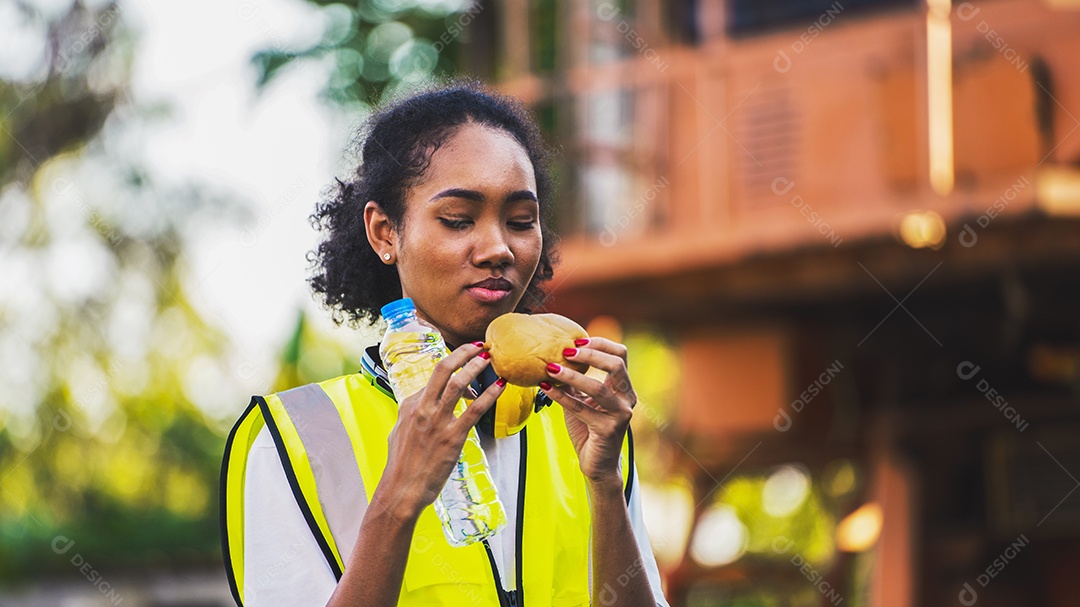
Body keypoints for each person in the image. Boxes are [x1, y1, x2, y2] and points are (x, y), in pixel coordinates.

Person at [220, 81, 669, 607]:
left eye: (521, 222)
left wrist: (605, 485)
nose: (499, 248)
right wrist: (398, 500)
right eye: (458, 220)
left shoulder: (589, 425)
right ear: (386, 233)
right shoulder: (293, 437)